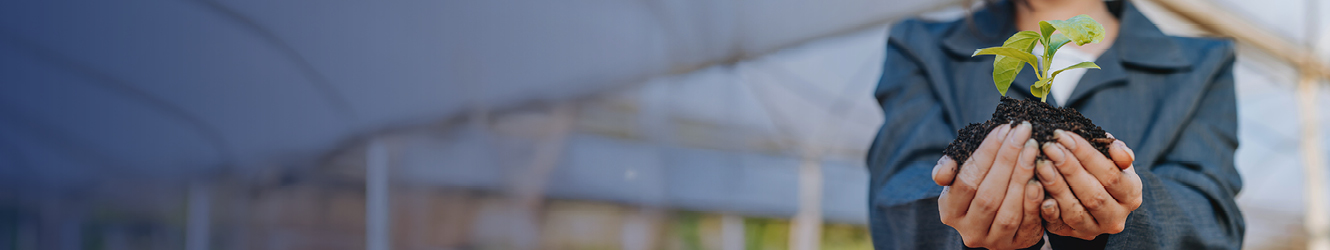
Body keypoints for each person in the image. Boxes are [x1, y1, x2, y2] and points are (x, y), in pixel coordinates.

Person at [865, 0, 1244, 249]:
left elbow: (1213, 218)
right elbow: (897, 195)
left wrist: (1127, 207)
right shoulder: (921, 46)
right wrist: (966, 209)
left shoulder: (1201, 63)